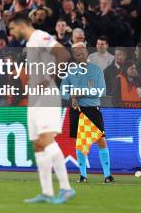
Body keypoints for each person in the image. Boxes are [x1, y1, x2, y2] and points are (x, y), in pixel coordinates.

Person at [8, 12, 75, 204]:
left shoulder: (40, 36)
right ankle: (46, 192)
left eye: (12, 28)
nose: (11, 33)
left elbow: (63, 54)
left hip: (47, 96)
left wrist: (49, 80)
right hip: (35, 98)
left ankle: (66, 187)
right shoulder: (30, 43)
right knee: (38, 144)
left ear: (20, 25)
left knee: (46, 139)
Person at [62, 43, 113, 184]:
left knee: (101, 140)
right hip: (77, 110)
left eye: (82, 53)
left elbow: (102, 91)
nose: (80, 56)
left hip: (92, 109)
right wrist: (71, 97)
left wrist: (80, 93)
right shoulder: (71, 71)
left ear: (86, 52)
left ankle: (108, 175)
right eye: (77, 55)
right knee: (80, 143)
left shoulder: (96, 70)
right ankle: (83, 175)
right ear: (74, 56)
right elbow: (63, 90)